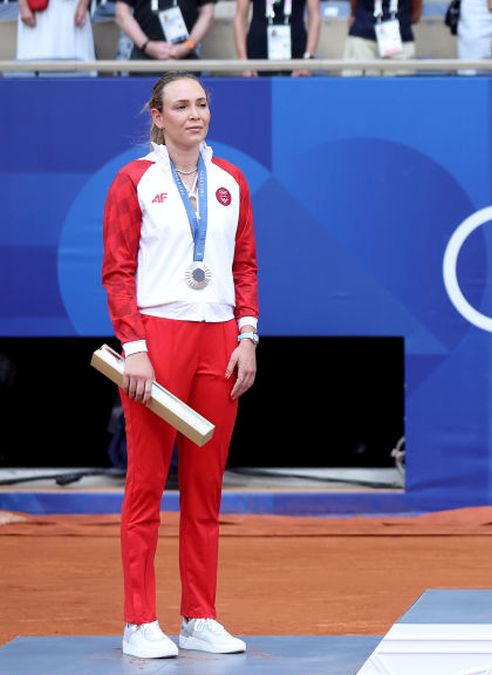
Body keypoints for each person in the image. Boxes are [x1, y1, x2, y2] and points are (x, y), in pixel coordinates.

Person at [102, 72, 260, 659]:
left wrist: (247, 337)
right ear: (157, 115)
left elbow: (244, 265)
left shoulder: (231, 181)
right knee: (146, 484)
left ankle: (200, 615)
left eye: (201, 104)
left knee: (205, 487)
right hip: (158, 337)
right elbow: (117, 271)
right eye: (180, 106)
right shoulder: (134, 181)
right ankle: (139, 620)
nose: (194, 114)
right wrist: (134, 346)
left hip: (219, 338)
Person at [234, 0, 321, 76]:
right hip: (257, 56)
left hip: (297, 57)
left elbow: (314, 16)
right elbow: (240, 18)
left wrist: (308, 59)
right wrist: (243, 61)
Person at [115, 0, 214, 65]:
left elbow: (207, 14)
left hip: (187, 53)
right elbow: (121, 13)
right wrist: (147, 45)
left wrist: (187, 46)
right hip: (143, 53)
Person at [342, 0, 422, 76]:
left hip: (399, 39)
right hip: (364, 38)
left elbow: (416, 14)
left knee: (400, 87)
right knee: (359, 85)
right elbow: (416, 15)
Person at [16, 0, 96, 73]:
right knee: (30, 73)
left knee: (79, 73)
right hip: (37, 10)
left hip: (72, 9)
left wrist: (84, 3)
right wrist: (23, 4)